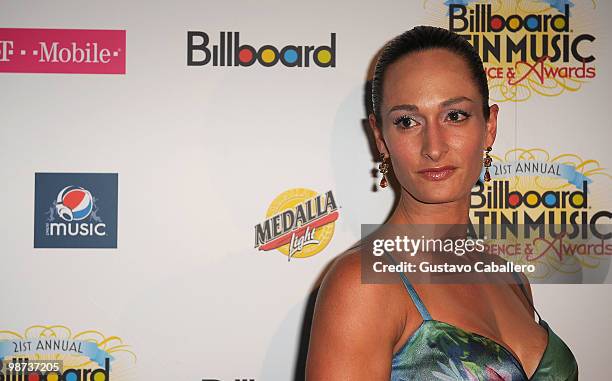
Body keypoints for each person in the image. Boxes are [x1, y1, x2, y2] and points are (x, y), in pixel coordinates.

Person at [305, 26, 578, 381]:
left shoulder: (512, 277)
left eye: (455, 116)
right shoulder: (363, 284)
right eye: (407, 121)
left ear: (490, 125)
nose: (433, 147)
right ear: (380, 138)